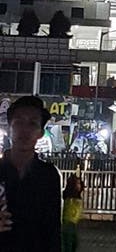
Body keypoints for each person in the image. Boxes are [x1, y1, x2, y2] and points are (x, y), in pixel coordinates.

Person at [0, 94, 62, 252]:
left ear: (41, 132)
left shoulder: (48, 175)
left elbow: (52, 229)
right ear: (8, 128)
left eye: (33, 123)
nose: (25, 130)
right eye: (19, 122)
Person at [61, 172, 85, 252]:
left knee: (72, 243)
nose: (79, 185)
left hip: (72, 223)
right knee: (69, 244)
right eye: (77, 183)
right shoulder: (71, 198)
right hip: (68, 223)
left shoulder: (73, 196)